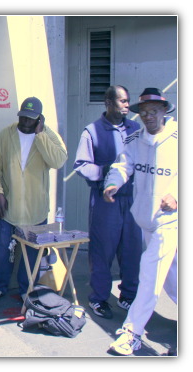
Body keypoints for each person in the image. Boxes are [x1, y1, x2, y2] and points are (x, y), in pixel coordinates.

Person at [105, 88, 177, 356]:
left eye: (153, 111)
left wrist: (178, 196)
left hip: (171, 221)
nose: (148, 116)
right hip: (146, 220)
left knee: (149, 276)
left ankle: (131, 333)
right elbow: (122, 165)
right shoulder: (135, 138)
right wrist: (112, 184)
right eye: (144, 112)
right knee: (173, 280)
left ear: (164, 110)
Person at [0, 97, 67, 303]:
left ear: (39, 119)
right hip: (9, 207)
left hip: (35, 209)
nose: (25, 122)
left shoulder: (48, 136)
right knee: (2, 250)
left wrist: (41, 137)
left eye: (31, 119)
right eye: (23, 117)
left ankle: (26, 289)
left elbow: (58, 161)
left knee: (31, 254)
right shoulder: (6, 135)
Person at [73, 85, 142, 319]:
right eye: (122, 101)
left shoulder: (135, 129)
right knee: (103, 251)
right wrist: (107, 172)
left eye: (128, 101)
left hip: (132, 200)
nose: (126, 105)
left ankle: (128, 296)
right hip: (106, 201)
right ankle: (99, 298)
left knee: (132, 250)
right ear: (108, 102)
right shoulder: (92, 131)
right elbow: (81, 165)